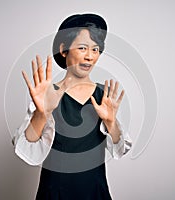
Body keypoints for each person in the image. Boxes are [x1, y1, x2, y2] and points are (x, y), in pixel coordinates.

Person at [13, 13, 132, 200]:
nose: (90, 56)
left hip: (94, 190)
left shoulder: (103, 95)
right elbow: (26, 149)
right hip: (55, 191)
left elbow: (119, 149)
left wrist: (111, 122)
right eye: (83, 48)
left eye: (95, 50)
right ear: (63, 49)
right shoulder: (48, 94)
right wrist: (42, 113)